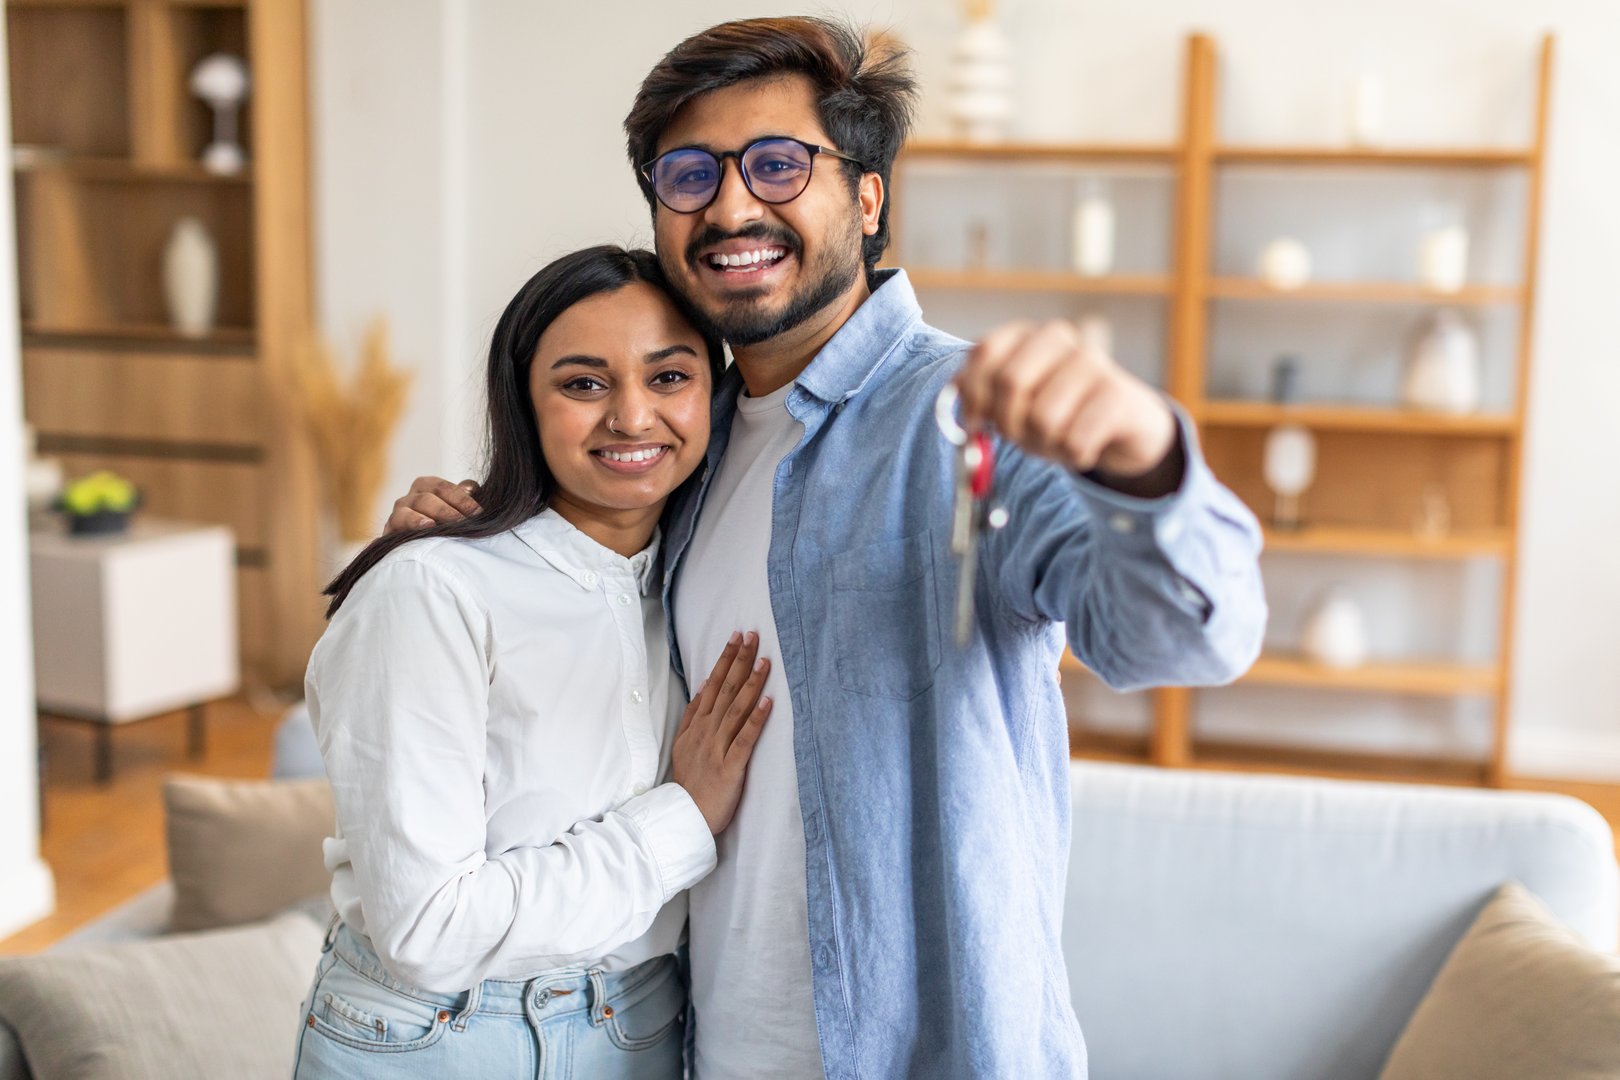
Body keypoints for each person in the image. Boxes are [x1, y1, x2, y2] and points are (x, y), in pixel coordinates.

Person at [388, 17, 1267, 1079]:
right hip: (695, 1046)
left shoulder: (967, 415)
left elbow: (1181, 642)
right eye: (687, 174)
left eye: (776, 164)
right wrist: (474, 539)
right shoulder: (677, 445)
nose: (729, 206)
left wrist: (1144, 462)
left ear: (866, 197)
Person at [293, 245, 777, 1079]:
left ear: (714, 393)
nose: (631, 418)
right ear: (522, 401)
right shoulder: (431, 590)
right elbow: (427, 928)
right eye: (583, 383)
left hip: (641, 1027)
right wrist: (682, 818)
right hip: (431, 1043)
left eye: (669, 377)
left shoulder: (705, 581)